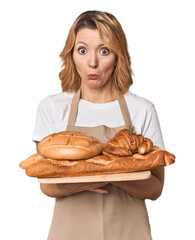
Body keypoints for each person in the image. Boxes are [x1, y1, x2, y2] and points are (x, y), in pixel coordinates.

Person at [33, 10, 165, 240]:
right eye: (82, 50)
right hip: (70, 232)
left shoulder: (141, 109)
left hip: (129, 232)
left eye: (104, 51)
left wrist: (106, 172)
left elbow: (155, 188)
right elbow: (47, 185)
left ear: (118, 56)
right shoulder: (52, 107)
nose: (92, 63)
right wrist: (91, 180)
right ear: (71, 54)